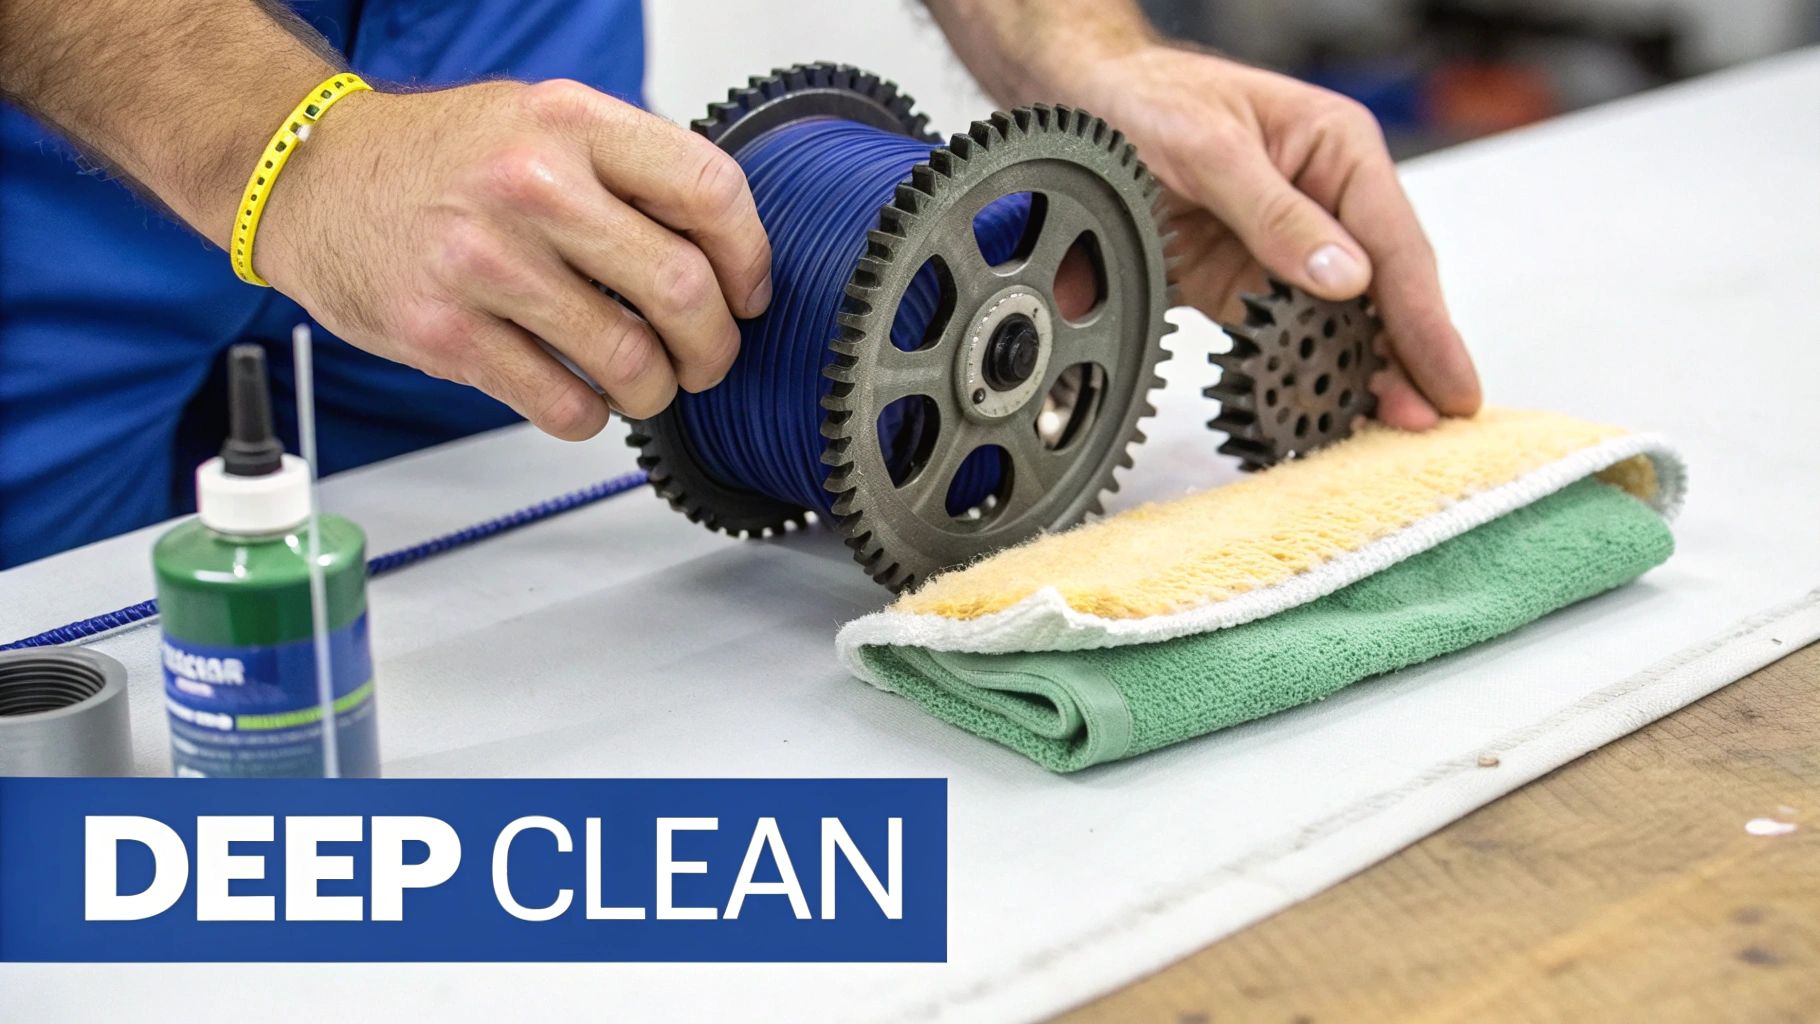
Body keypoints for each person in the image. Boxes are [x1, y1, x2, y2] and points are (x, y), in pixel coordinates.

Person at [0, 0, 1481, 568]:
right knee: (83, 728)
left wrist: (1074, 51)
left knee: (497, 622)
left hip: (491, 57)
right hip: (61, 118)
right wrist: (291, 152)